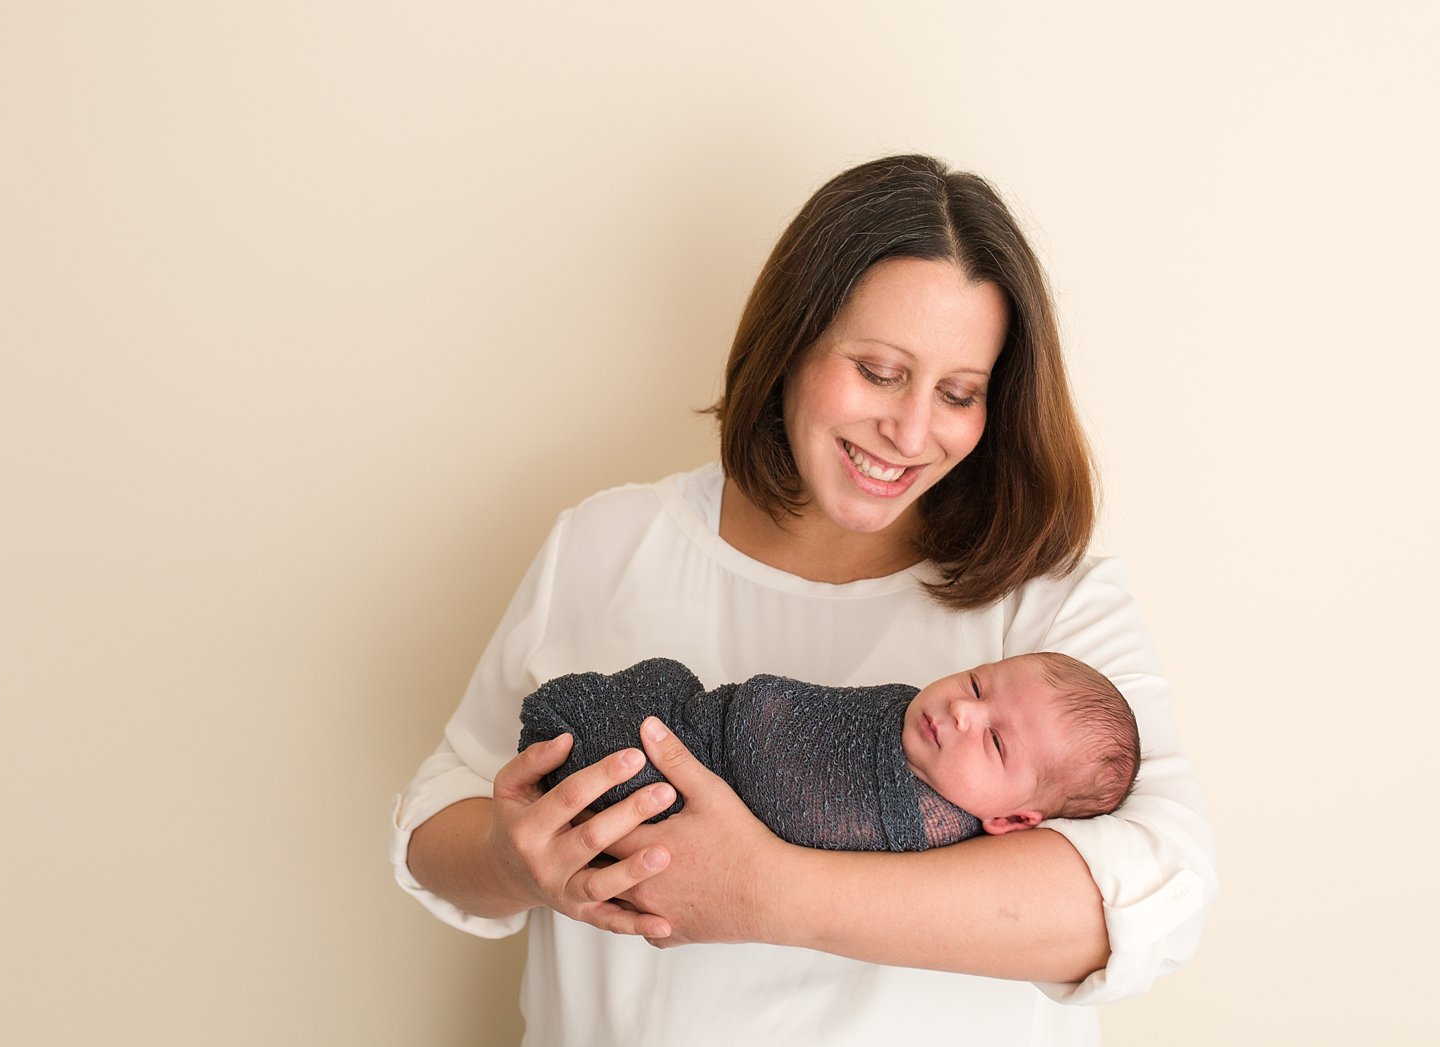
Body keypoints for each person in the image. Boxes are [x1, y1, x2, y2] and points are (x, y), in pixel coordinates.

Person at [392, 154, 1216, 1045]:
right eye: (878, 370)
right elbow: (443, 816)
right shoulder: (609, 542)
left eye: (958, 393)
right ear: (792, 343)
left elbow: (1153, 899)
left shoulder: (1050, 600)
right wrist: (513, 861)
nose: (909, 432)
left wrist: (769, 889)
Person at [518, 652, 1140, 851]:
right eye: (977, 684)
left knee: (605, 749)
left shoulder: (919, 826)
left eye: (996, 741)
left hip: (687, 779)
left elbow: (792, 798)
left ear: (1007, 820)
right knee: (649, 693)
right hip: (697, 721)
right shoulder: (916, 723)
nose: (962, 711)